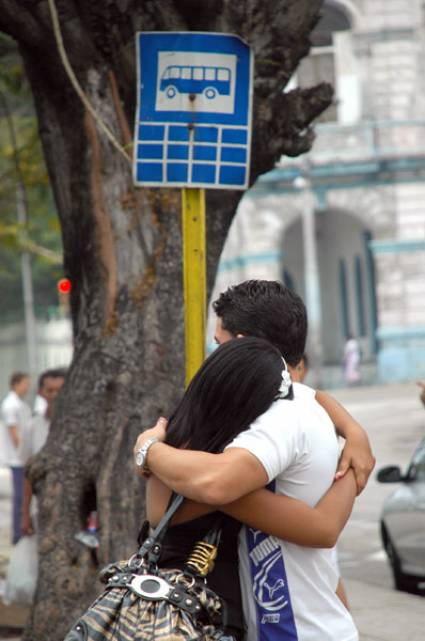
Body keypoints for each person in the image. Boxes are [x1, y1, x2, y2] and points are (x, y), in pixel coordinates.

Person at [136, 337, 358, 641]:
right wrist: (353, 469)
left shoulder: (180, 446)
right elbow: (322, 528)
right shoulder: (216, 478)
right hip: (210, 620)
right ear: (246, 403)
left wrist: (149, 448)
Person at [20, 368, 67, 535]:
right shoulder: (32, 426)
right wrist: (24, 514)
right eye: (50, 390)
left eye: (59, 390)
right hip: (41, 508)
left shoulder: (79, 429)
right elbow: (26, 472)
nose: (54, 395)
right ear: (40, 392)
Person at [0, 372, 31, 544]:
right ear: (16, 384)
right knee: (20, 496)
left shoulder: (19, 404)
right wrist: (24, 452)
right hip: (17, 458)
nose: (27, 387)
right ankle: (17, 534)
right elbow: (15, 434)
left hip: (21, 457)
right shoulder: (10, 405)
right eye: (25, 383)